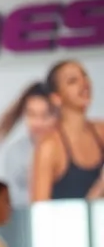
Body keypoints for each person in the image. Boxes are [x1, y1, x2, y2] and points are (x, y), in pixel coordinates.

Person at [30, 59, 104, 201]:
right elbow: (39, 212)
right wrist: (99, 189)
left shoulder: (101, 131)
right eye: (72, 81)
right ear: (56, 98)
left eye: (85, 76)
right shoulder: (49, 147)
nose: (84, 84)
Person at [0, 83, 56, 207]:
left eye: (45, 115)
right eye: (31, 114)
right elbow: (18, 203)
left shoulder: (72, 150)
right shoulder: (16, 154)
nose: (38, 123)